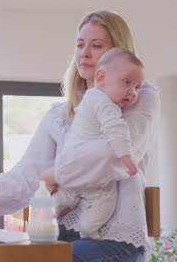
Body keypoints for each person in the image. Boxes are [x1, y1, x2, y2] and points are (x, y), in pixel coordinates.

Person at [0, 10, 159, 262]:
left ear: (118, 55)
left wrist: (57, 174)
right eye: (80, 45)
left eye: (96, 45)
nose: (84, 53)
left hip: (113, 241)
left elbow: (116, 157)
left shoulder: (139, 97)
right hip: (61, 235)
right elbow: (26, 178)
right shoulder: (59, 115)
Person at [52, 47, 144, 239]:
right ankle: (88, 230)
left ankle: (53, 217)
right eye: (126, 82)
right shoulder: (103, 102)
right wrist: (126, 157)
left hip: (77, 176)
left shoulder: (90, 99)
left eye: (137, 87)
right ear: (101, 78)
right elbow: (116, 129)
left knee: (62, 201)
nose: (132, 92)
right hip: (88, 174)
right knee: (102, 207)